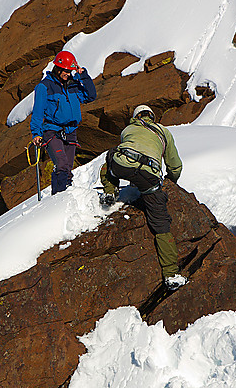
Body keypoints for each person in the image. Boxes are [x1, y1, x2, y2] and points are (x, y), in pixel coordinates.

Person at [99, 105, 187, 290]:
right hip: (150, 176)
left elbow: (129, 150)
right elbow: (175, 166)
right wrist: (170, 182)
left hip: (123, 164)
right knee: (161, 223)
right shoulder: (163, 131)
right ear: (152, 117)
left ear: (135, 117)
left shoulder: (127, 129)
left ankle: (109, 191)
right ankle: (171, 274)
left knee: (111, 157)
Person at [31, 50, 97, 194]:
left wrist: (82, 74)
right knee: (61, 164)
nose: (68, 74)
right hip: (52, 130)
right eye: (66, 71)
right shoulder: (44, 86)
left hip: (71, 131)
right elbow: (38, 111)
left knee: (67, 167)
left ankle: (60, 196)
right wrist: (36, 133)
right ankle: (62, 196)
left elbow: (91, 96)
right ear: (58, 68)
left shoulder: (73, 85)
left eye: (70, 71)